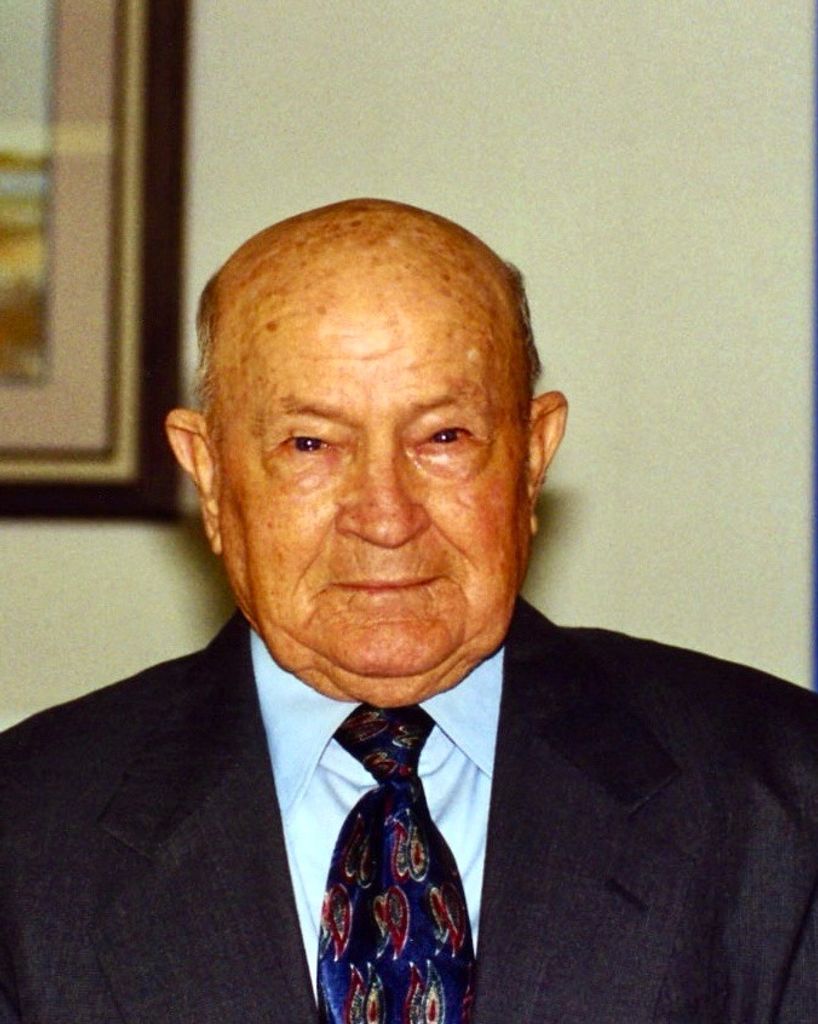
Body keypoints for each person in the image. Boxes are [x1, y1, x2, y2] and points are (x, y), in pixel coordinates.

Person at [1, 198, 816, 1024]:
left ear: (533, 458)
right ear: (209, 475)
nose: (385, 516)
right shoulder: (26, 835)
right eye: (311, 444)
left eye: (444, 438)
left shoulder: (783, 799)